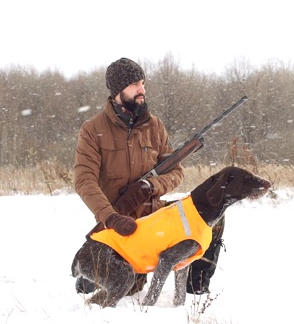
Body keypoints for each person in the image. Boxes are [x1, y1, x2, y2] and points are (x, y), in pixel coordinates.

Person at [73, 57, 224, 296]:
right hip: (121, 224)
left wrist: (150, 185)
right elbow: (84, 180)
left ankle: (196, 288)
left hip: (155, 215)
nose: (142, 90)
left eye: (143, 83)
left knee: (210, 212)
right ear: (117, 91)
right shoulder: (92, 130)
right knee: (129, 287)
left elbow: (176, 172)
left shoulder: (155, 126)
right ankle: (97, 270)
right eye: (134, 85)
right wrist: (110, 218)